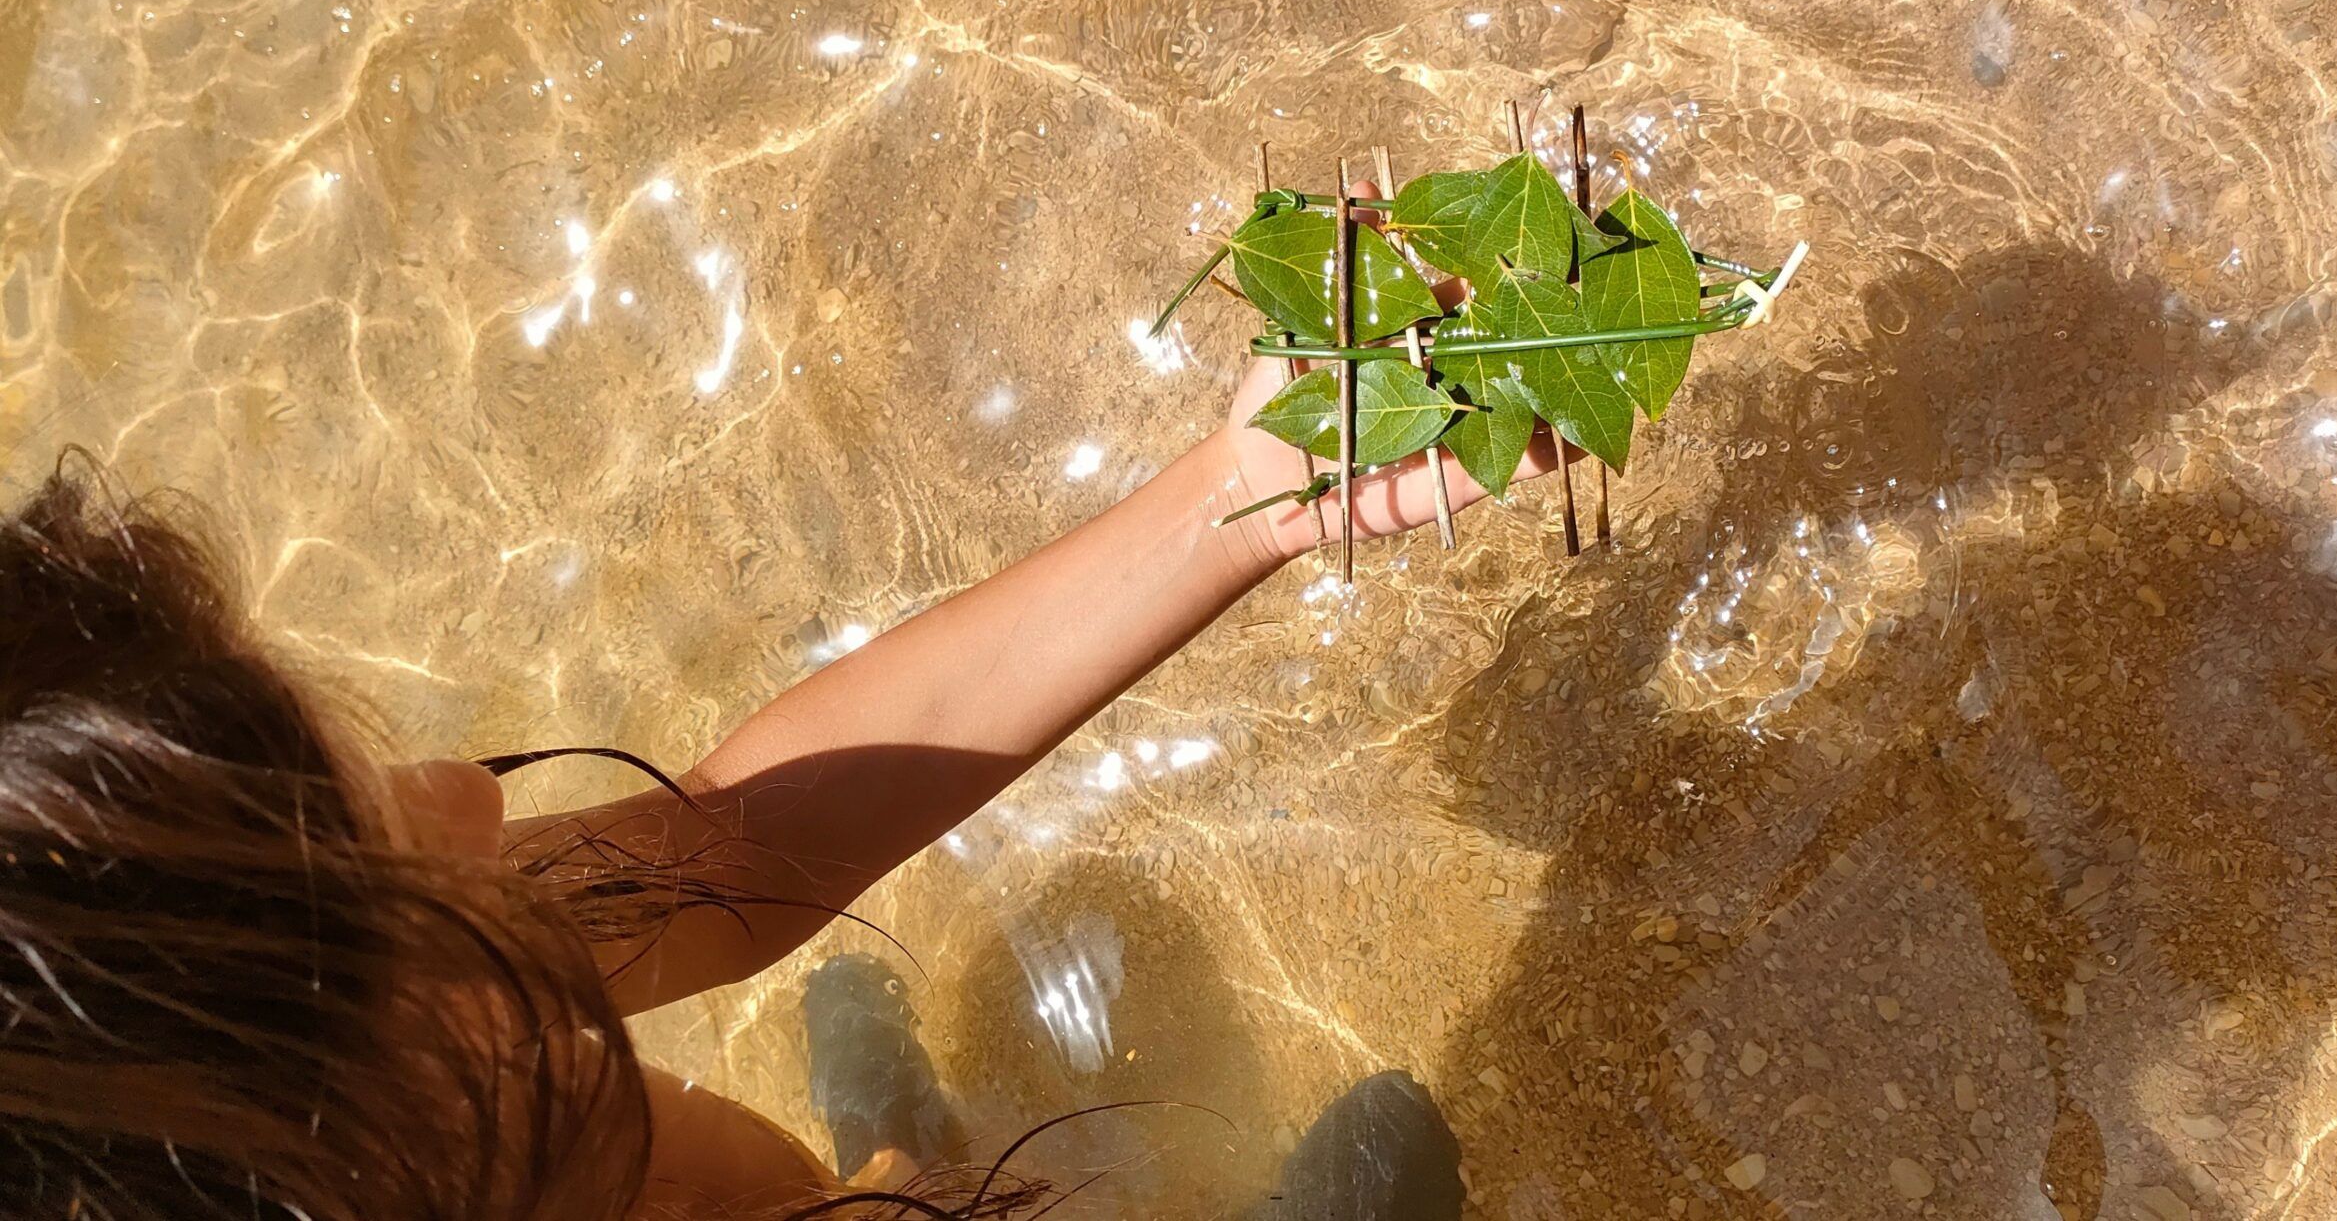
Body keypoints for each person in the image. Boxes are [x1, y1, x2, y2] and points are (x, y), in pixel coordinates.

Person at [0, 328, 1561, 1220]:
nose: (468, 805)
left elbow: (739, 846)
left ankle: (884, 1132)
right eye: (367, 849)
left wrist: (1246, 495)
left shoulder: (365, 1033)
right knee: (1389, 1147)